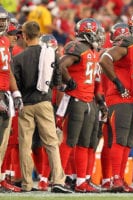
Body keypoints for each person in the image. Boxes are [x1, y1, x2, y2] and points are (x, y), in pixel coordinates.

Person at [11, 20, 71, 193]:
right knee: (51, 143)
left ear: (24, 36)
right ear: (39, 34)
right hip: (44, 102)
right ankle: (58, 181)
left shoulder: (18, 58)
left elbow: (16, 83)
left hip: (26, 104)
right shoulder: (51, 54)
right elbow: (57, 82)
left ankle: (27, 183)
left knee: (25, 144)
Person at [99, 13, 133, 193]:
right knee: (120, 139)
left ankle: (121, 179)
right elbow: (104, 59)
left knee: (129, 141)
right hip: (120, 98)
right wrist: (118, 82)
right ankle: (116, 179)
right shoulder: (127, 43)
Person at [57, 18, 104, 193]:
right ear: (88, 32)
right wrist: (69, 81)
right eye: (96, 32)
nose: (99, 36)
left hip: (89, 100)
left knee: (84, 143)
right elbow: (61, 65)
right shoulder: (77, 47)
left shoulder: (93, 51)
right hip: (75, 98)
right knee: (70, 140)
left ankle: (81, 181)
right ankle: (59, 179)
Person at [0, 6, 23, 192]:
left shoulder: (4, 42)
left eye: (3, 20)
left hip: (5, 93)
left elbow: (8, 73)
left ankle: (1, 178)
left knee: (4, 140)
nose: (2, 23)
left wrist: (15, 94)